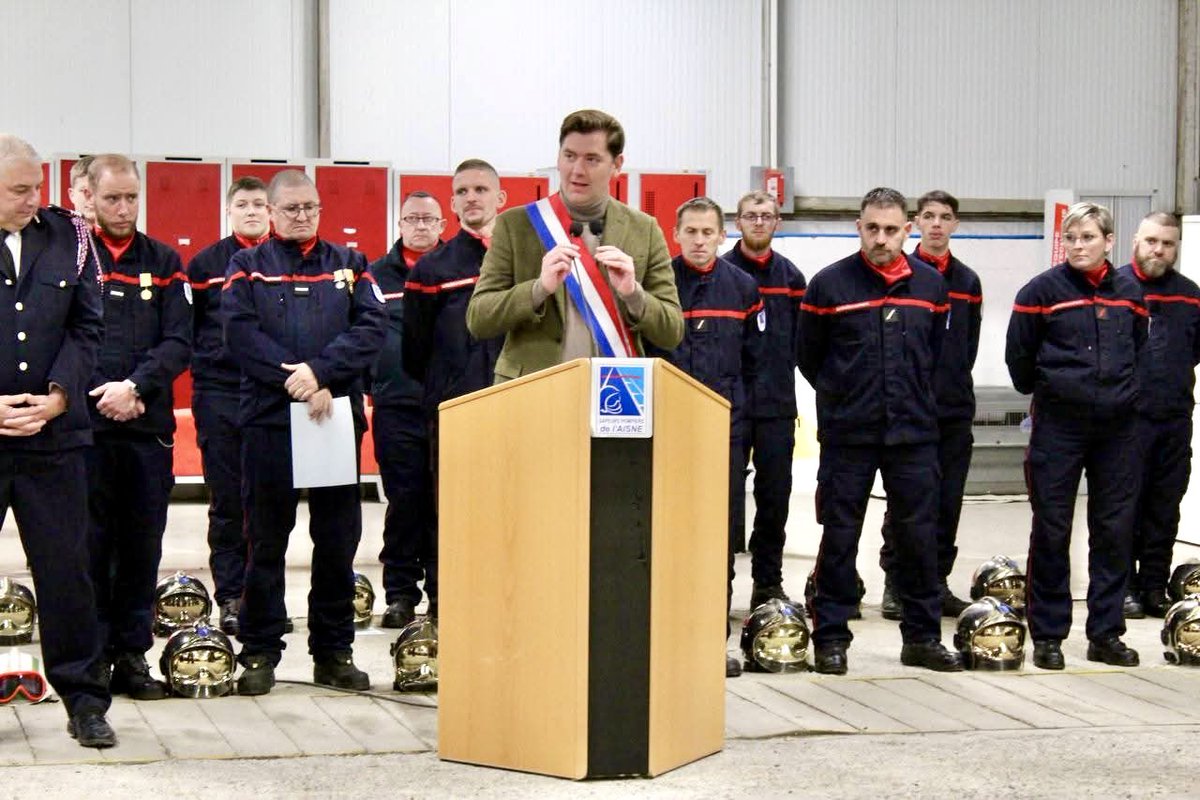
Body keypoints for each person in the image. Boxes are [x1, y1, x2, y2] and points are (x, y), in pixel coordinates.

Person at [223, 169, 386, 695]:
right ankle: (259, 651)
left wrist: (323, 373)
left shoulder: (350, 264)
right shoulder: (247, 266)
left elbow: (371, 328)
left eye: (310, 208)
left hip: (331, 417)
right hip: (270, 421)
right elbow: (239, 334)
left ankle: (333, 651)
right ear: (270, 212)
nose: (301, 216)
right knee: (265, 541)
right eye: (290, 208)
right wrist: (296, 379)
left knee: (336, 542)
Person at [798, 187, 961, 675]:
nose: (882, 239)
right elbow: (809, 356)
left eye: (892, 230)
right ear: (859, 228)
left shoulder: (931, 287)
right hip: (850, 433)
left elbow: (937, 356)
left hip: (913, 434)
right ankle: (830, 638)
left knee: (919, 538)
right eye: (873, 228)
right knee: (840, 534)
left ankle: (923, 638)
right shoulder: (829, 286)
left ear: (907, 230)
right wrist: (844, 395)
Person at [0, 134, 115, 747]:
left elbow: (87, 323)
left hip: (54, 438)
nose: (34, 199)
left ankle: (84, 700)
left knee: (67, 573)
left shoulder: (70, 237)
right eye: (20, 189)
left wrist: (61, 396)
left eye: (37, 186)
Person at [1006, 201, 1146, 670]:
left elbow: (1142, 350)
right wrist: (1052, 390)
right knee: (1052, 528)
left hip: (1117, 430)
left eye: (1089, 237)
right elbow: (1019, 358)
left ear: (1109, 241)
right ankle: (1047, 635)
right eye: (1072, 238)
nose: (1079, 246)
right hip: (1059, 427)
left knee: (1113, 530)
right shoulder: (1040, 291)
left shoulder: (1130, 292)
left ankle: (1105, 634)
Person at [85, 154, 192, 701]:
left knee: (141, 546)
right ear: (90, 197)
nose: (123, 209)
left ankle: (131, 655)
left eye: (131, 198)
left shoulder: (167, 262)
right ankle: (92, 659)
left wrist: (137, 387)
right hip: (88, 431)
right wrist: (105, 391)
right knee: (89, 547)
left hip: (145, 431)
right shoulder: (74, 259)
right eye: (112, 199)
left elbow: (179, 341)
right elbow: (68, 335)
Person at [466, 108, 683, 375]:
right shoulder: (515, 224)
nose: (577, 170)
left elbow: (672, 332)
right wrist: (537, 289)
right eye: (569, 156)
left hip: (615, 394)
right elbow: (478, 319)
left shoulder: (644, 229)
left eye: (592, 159)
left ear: (616, 165)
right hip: (533, 391)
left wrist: (634, 295)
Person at [645, 197, 761, 678]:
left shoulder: (743, 288)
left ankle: (713, 641)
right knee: (659, 538)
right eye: (689, 231)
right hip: (662, 434)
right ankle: (660, 637)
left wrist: (739, 423)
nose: (698, 240)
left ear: (721, 235)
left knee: (716, 543)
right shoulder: (656, 284)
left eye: (707, 232)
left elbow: (755, 364)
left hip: (720, 436)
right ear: (675, 234)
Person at [401, 161, 508, 620]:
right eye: (462, 191)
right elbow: (414, 350)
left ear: (500, 199)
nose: (472, 198)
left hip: (516, 408)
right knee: (453, 511)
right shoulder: (432, 269)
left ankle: (509, 592)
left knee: (511, 508)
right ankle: (448, 600)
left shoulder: (524, 259)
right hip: (454, 410)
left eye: (481, 189)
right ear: (452, 203)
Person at [879, 191, 981, 620]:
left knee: (947, 501)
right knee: (906, 501)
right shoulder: (904, 274)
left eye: (946, 217)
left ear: (955, 224)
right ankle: (895, 584)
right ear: (915, 223)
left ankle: (936, 582)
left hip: (953, 409)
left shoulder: (968, 282)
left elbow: (966, 345)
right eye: (929, 216)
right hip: (910, 411)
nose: (937, 224)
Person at [187, 176, 271, 634]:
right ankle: (232, 596)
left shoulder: (282, 260)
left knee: (269, 501)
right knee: (226, 501)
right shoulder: (204, 265)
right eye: (243, 204)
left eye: (260, 204)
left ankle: (263, 594)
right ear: (229, 210)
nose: (253, 211)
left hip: (271, 393)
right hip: (219, 393)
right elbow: (190, 330)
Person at [724, 189, 805, 607]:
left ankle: (767, 582)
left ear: (777, 222)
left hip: (776, 405)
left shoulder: (792, 279)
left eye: (767, 216)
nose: (759, 222)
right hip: (730, 406)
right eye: (751, 216)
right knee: (725, 500)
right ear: (736, 222)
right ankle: (719, 584)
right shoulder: (721, 274)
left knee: (775, 498)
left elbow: (806, 342)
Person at [370, 190, 445, 628]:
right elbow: (362, 332)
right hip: (396, 405)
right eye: (412, 218)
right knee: (404, 501)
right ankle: (400, 593)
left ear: (442, 225)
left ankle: (441, 592)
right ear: (399, 224)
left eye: (428, 219)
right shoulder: (376, 276)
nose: (420, 226)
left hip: (448, 406)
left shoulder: (455, 269)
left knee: (442, 504)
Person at [1118, 212, 1198, 618]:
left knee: (1165, 507)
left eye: (1167, 243)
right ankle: (1124, 587)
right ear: (1136, 240)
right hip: (1127, 422)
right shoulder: (1116, 288)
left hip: (1174, 420)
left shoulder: (1190, 295)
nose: (1158, 250)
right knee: (1125, 507)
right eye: (1151, 241)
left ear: (1176, 247)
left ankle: (1153, 584)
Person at [66, 156, 95, 225]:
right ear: (72, 195)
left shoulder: (121, 232)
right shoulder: (57, 233)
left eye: (98, 191)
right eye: (84, 190)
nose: (92, 199)